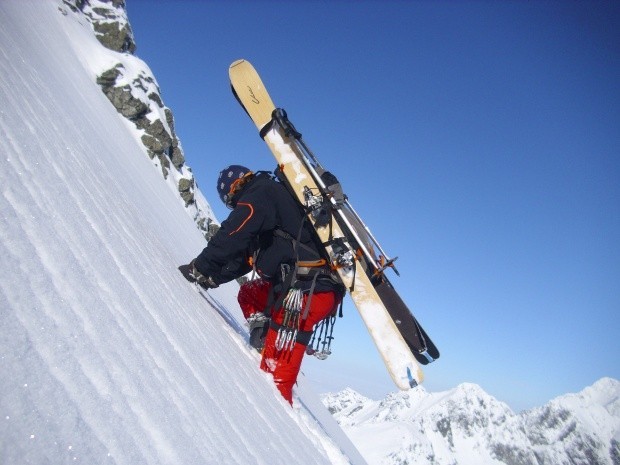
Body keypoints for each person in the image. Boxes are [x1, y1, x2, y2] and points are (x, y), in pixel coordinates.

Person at [181, 165, 344, 405]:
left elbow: (232, 234)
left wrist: (200, 267)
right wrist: (213, 277)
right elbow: (244, 256)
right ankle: (265, 335)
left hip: (308, 294)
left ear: (233, 190)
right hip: (300, 289)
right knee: (249, 294)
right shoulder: (269, 200)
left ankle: (280, 422)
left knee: (275, 381)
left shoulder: (258, 195)